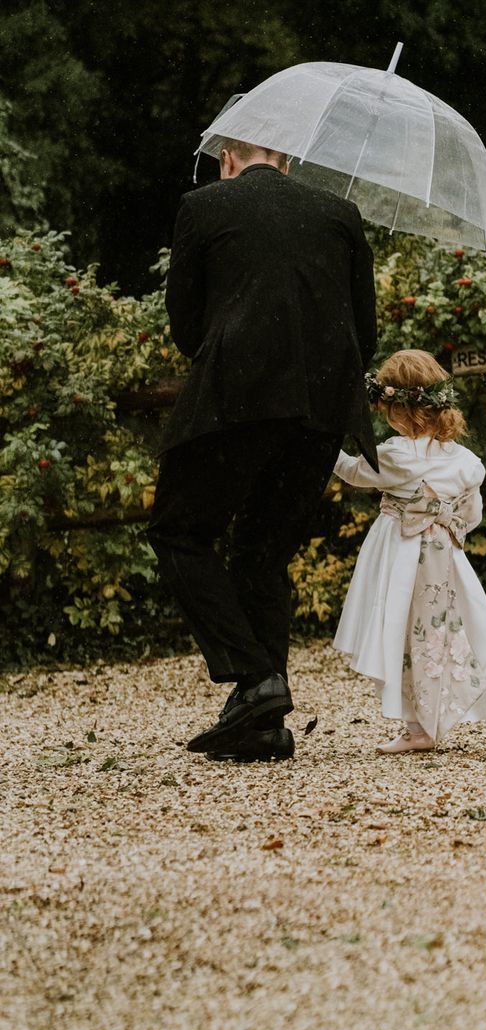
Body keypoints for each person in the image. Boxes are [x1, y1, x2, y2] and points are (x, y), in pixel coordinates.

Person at [148, 138, 378, 763]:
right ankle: (261, 725)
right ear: (289, 158)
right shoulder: (340, 214)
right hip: (323, 407)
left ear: (227, 156)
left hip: (236, 398)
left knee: (178, 532)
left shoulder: (203, 207)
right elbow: (367, 328)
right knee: (262, 554)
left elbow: (185, 326)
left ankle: (256, 679)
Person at [333, 349, 486, 752]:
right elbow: (471, 514)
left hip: (400, 555)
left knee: (401, 631)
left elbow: (354, 472)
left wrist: (327, 450)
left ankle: (417, 726)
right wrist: (448, 525)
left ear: (398, 409)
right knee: (445, 629)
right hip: (445, 556)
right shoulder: (465, 461)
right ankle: (428, 721)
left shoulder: (395, 456)